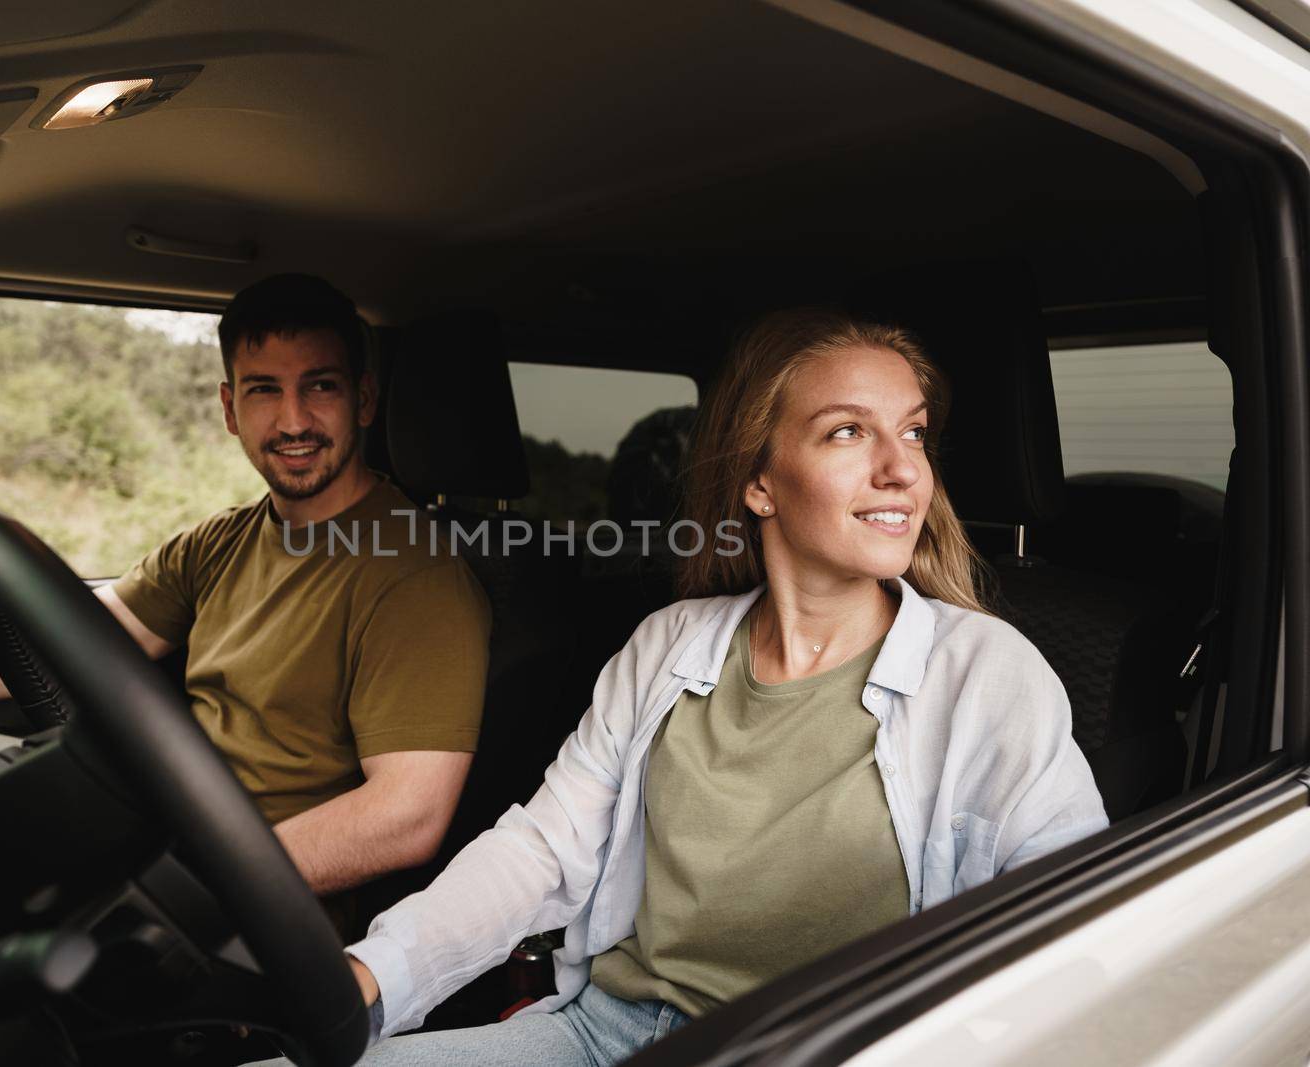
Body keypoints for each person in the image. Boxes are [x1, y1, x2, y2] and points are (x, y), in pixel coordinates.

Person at [313, 308, 1108, 1062]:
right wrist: (373, 973)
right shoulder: (666, 644)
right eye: (847, 431)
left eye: (913, 433)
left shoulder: (987, 673)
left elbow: (1081, 941)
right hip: (605, 1036)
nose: (902, 469)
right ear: (761, 483)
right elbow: (543, 853)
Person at [0, 273, 492, 937]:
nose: (291, 421)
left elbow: (408, 815)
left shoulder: (412, 573)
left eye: (319, 385)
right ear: (230, 407)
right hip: (143, 809)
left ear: (362, 398)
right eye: (265, 389)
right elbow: (46, 649)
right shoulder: (222, 541)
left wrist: (192, 877)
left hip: (239, 897)